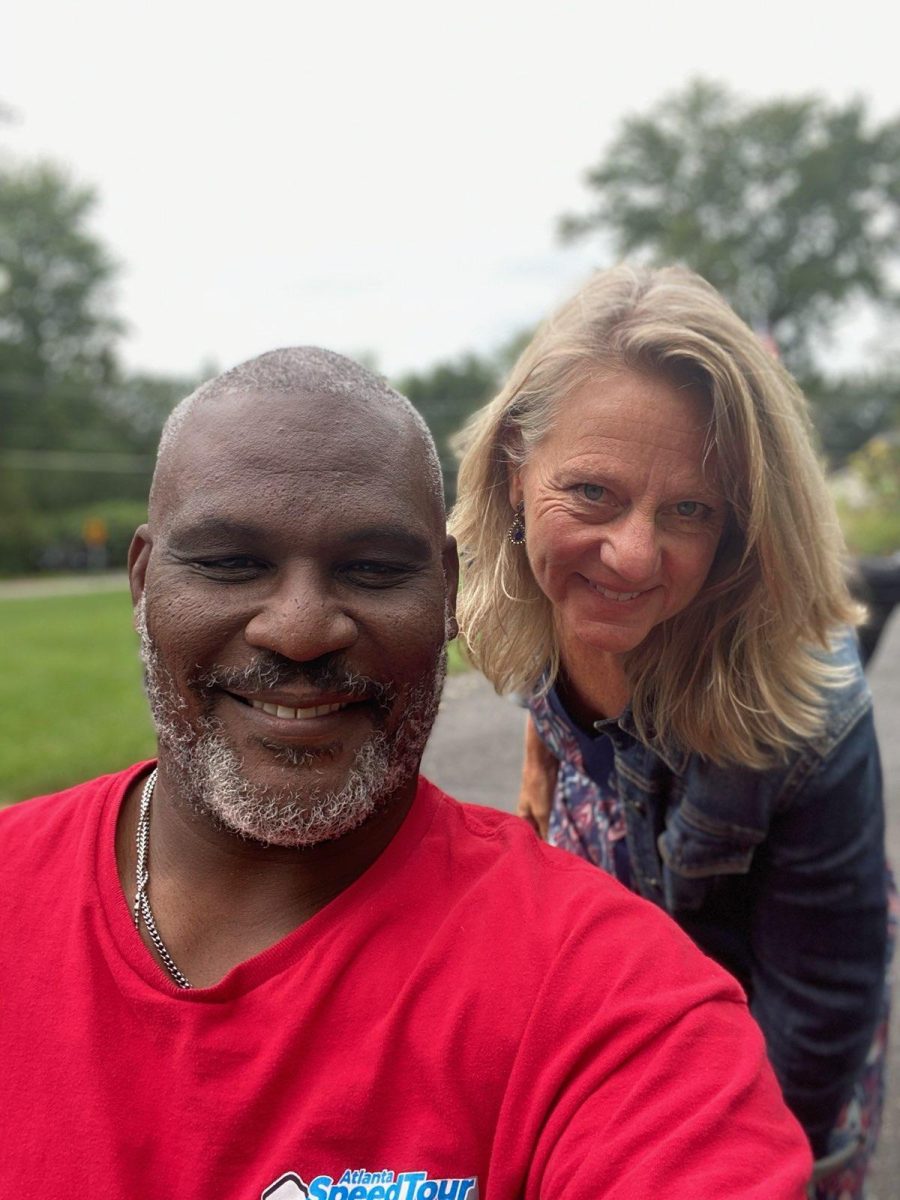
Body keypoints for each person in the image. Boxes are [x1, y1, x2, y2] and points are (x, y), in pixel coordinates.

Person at [0, 347, 812, 1200]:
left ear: (450, 598)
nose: (302, 629)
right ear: (141, 582)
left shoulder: (611, 996)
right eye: (231, 563)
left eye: (375, 570)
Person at [450, 265, 892, 1200]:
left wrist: (752, 1170)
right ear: (514, 471)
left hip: (754, 1060)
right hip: (606, 1027)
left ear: (739, 522)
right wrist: (536, 801)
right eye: (595, 493)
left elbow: (820, 1008)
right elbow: (552, 728)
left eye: (688, 510)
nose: (635, 556)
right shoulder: (525, 596)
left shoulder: (804, 710)